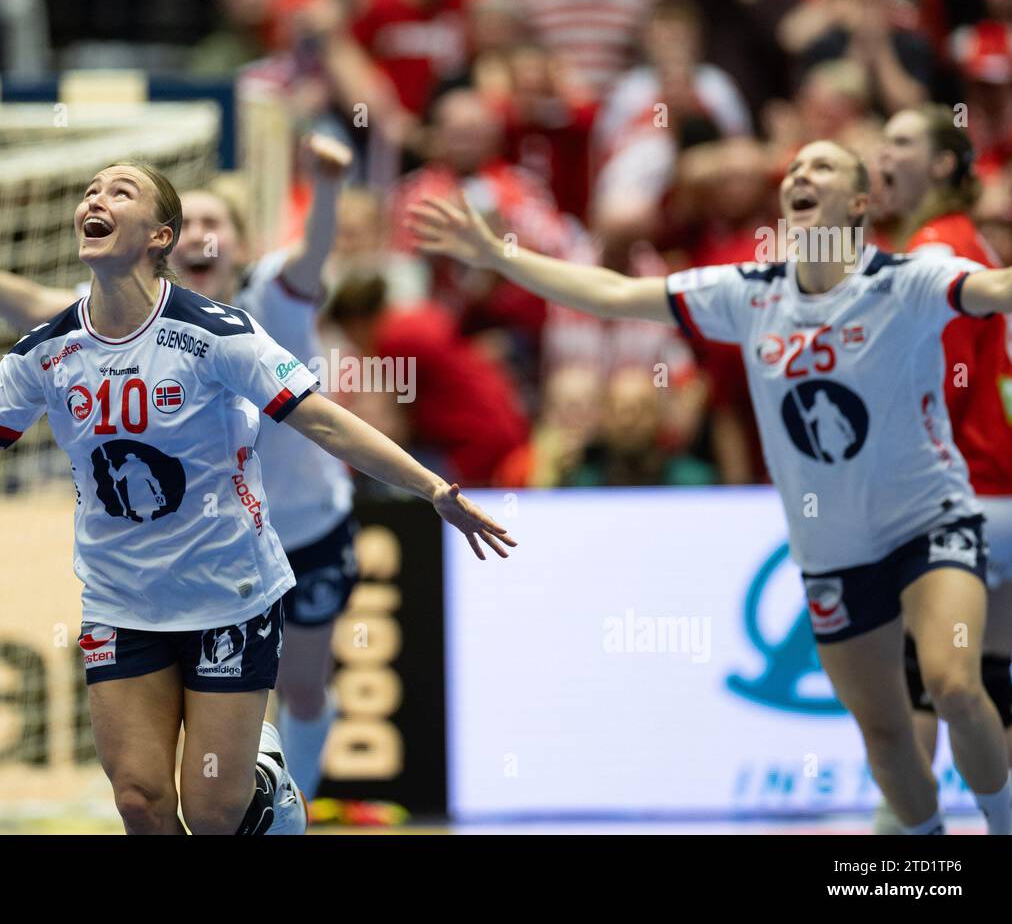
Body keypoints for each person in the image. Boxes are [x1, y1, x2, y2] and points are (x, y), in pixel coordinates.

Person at [0, 159, 513, 837]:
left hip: (228, 591)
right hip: (121, 599)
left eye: (120, 193)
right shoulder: (47, 351)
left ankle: (269, 787)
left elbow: (322, 417)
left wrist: (432, 488)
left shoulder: (215, 335)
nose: (95, 202)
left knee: (211, 815)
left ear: (159, 236)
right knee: (140, 802)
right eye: (90, 192)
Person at [407, 138, 1012, 834]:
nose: (800, 176)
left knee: (954, 685)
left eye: (822, 167)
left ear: (861, 202)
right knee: (884, 735)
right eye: (793, 170)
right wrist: (499, 257)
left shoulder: (903, 283)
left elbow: (995, 290)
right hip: (834, 552)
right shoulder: (750, 293)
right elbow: (616, 293)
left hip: (929, 520)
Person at [0, 138, 366, 804]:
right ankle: (247, 799)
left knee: (302, 688)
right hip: (197, 554)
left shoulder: (271, 300)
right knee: (165, 783)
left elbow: (314, 252)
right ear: (167, 240)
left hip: (303, 526)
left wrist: (329, 186)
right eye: (194, 223)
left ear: (241, 247)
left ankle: (282, 801)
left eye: (218, 224)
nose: (202, 236)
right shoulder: (128, 309)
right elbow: (37, 311)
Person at [874, 104, 1012, 831]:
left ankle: (903, 845)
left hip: (960, 492)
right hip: (1000, 487)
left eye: (898, 142)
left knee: (918, 681)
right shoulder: (971, 244)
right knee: (992, 677)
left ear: (943, 166)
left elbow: (940, 380)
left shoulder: (931, 252)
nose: (880, 156)